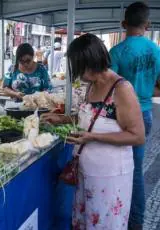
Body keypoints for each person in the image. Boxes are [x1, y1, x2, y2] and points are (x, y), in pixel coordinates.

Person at [41, 33, 145, 229]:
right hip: (86, 170)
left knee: (104, 223)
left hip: (110, 175)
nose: (77, 73)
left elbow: (137, 135)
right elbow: (92, 118)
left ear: (90, 62)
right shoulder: (92, 85)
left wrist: (93, 137)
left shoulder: (121, 89)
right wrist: (63, 119)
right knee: (86, 222)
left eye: (78, 66)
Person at [109, 2, 160, 229]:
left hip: (120, 118)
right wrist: (146, 93)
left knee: (115, 168)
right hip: (145, 116)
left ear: (123, 24)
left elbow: (109, 90)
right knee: (136, 172)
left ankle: (112, 214)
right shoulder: (156, 51)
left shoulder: (117, 52)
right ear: (147, 25)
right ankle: (135, 223)